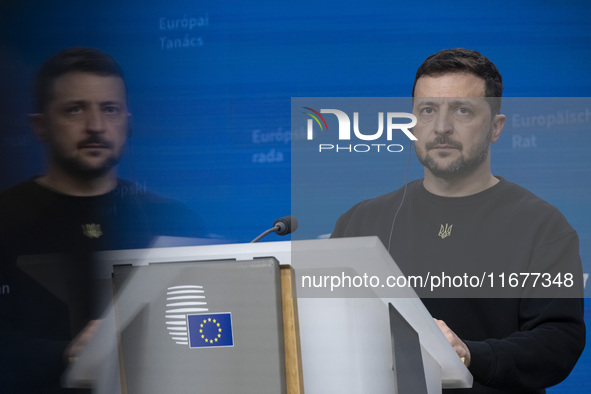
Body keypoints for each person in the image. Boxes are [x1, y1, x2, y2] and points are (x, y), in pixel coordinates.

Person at [331, 48, 585, 393]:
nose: (441, 127)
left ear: (496, 127)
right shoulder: (360, 223)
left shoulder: (542, 226)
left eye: (462, 111)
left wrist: (470, 355)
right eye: (427, 111)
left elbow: (559, 341)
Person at [0, 47, 204, 393]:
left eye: (110, 110)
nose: (95, 126)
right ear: (40, 125)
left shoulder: (175, 220)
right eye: (74, 110)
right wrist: (65, 355)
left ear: (128, 122)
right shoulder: (7, 218)